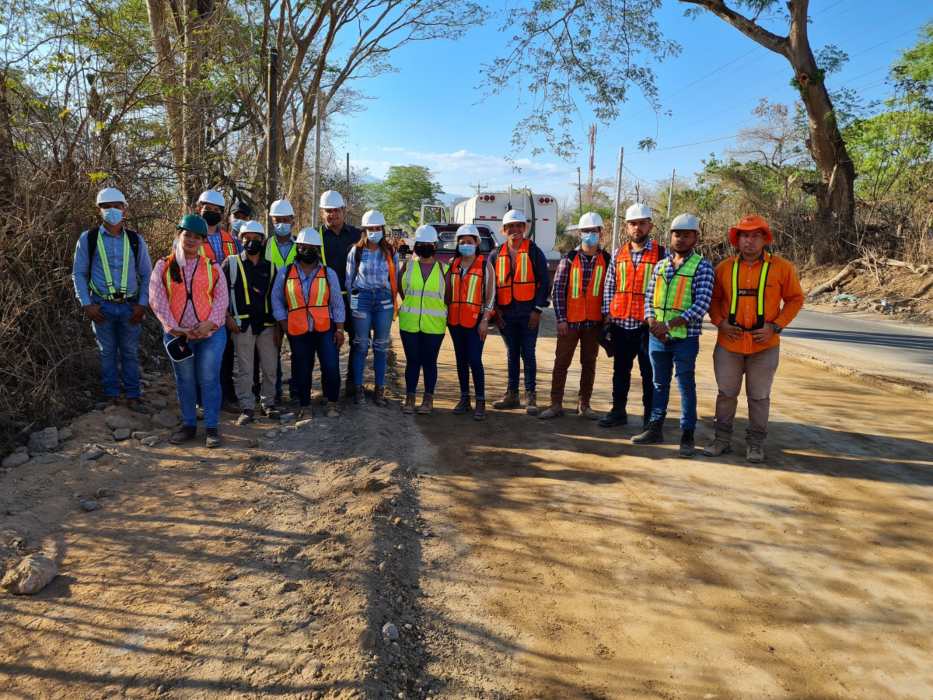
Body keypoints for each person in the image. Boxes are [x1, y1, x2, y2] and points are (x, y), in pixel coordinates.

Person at [704, 215, 804, 463]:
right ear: (737, 240)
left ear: (765, 239)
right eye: (744, 236)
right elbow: (714, 299)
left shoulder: (781, 268)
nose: (749, 241)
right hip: (729, 344)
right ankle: (721, 440)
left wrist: (776, 326)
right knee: (726, 394)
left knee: (759, 397)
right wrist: (720, 322)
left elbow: (795, 299)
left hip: (764, 346)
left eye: (755, 236)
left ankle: (756, 444)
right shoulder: (724, 268)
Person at [634, 213, 714, 457]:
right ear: (670, 236)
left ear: (696, 238)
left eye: (686, 235)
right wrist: (652, 323)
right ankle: (655, 428)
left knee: (685, 384)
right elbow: (649, 298)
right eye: (677, 234)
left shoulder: (702, 266)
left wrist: (667, 325)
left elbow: (701, 305)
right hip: (657, 338)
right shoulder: (661, 266)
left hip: (684, 339)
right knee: (659, 383)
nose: (680, 239)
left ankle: (687, 434)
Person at [149, 214, 228, 448]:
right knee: (185, 379)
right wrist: (175, 328)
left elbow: (222, 299)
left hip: (210, 334)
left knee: (209, 377)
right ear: (179, 235)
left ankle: (211, 427)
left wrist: (210, 323)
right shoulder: (163, 265)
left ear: (203, 241)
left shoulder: (212, 267)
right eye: (187, 235)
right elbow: (157, 299)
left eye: (197, 237)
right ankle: (189, 424)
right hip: (178, 336)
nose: (191, 240)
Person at [72, 187, 153, 411]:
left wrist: (142, 304)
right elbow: (79, 273)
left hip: (130, 307)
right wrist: (87, 304)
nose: (112, 210)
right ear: (98, 210)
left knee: (130, 352)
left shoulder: (136, 240)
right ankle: (111, 396)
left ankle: (133, 395)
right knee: (106, 352)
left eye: (117, 206)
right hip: (101, 306)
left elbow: (148, 274)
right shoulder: (88, 239)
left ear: (125, 208)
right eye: (106, 206)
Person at [599, 203, 665, 429]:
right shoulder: (618, 254)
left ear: (650, 226)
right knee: (620, 371)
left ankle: (649, 417)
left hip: (648, 326)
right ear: (626, 227)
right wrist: (607, 315)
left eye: (642, 223)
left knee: (649, 373)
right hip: (621, 323)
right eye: (633, 223)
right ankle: (618, 411)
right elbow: (610, 285)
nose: (637, 228)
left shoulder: (662, 254)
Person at [539, 212, 610, 420]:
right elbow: (558, 291)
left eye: (594, 231)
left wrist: (607, 317)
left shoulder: (607, 260)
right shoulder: (569, 259)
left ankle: (584, 405)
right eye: (586, 231)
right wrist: (561, 319)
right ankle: (555, 404)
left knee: (589, 364)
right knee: (561, 363)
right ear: (580, 233)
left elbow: (609, 290)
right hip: (570, 323)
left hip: (594, 323)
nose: (590, 234)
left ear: (601, 232)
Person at [271, 228, 345, 418]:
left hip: (325, 328)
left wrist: (339, 329)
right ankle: (305, 405)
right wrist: (284, 323)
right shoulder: (285, 272)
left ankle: (332, 402)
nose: (307, 250)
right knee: (302, 368)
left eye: (312, 247)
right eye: (303, 247)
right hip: (297, 329)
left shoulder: (328, 273)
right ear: (297, 248)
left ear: (318, 250)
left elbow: (337, 303)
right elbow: (276, 299)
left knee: (330, 366)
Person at [489, 209, 550, 415]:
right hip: (506, 314)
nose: (514, 229)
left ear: (524, 228)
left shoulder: (534, 252)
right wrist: (496, 311)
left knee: (528, 353)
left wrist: (537, 310)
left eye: (518, 226)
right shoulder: (495, 255)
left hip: (528, 313)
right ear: (503, 230)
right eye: (510, 226)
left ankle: (530, 395)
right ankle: (512, 394)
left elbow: (544, 283)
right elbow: (489, 286)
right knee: (512, 353)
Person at [222, 220, 281, 425]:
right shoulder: (230, 264)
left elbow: (276, 299)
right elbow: (219, 295)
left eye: (256, 238)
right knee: (244, 369)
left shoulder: (271, 267)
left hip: (267, 325)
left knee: (270, 367)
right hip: (242, 325)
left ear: (263, 240)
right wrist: (227, 318)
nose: (251, 242)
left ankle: (268, 404)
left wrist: (278, 327)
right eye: (246, 238)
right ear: (240, 239)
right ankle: (247, 407)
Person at [346, 209, 398, 406]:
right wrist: (354, 302)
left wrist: (392, 300)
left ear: (383, 229)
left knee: (381, 346)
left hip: (384, 301)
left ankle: (379, 390)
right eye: (371, 229)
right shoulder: (356, 251)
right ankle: (358, 389)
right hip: (362, 300)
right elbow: (349, 280)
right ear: (364, 230)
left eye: (378, 228)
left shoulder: (390, 251)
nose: (374, 232)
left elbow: (394, 278)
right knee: (360, 345)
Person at [445, 224, 495, 421]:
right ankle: (464, 398)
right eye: (462, 242)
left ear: (477, 243)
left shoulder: (485, 266)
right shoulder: (453, 264)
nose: (465, 245)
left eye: (469, 242)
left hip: (475, 322)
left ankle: (480, 401)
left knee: (474, 359)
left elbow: (491, 296)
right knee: (461, 360)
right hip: (455, 321)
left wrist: (485, 320)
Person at [398, 225, 448, 415]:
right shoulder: (407, 266)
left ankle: (428, 398)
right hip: (409, 323)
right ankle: (410, 397)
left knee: (429, 361)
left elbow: (448, 296)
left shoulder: (444, 269)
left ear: (435, 245)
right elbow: (402, 290)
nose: (425, 247)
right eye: (421, 243)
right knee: (412, 361)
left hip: (434, 325)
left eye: (429, 244)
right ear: (415, 245)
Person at [317, 190, 361, 396]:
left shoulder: (357, 235)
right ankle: (330, 390)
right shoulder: (315, 237)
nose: (332, 214)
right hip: (327, 301)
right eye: (328, 211)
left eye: (336, 210)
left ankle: (353, 384)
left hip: (355, 299)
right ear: (322, 213)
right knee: (329, 346)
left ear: (344, 211)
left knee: (358, 342)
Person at [265, 198, 298, 404]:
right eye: (277, 220)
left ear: (293, 220)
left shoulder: (301, 245)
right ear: (272, 221)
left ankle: (296, 391)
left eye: (285, 220)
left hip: (296, 308)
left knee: (298, 351)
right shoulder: (265, 246)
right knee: (272, 352)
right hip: (270, 307)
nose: (282, 224)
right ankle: (274, 392)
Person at [197, 190, 239, 263]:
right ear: (200, 209)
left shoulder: (231, 239)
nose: (212, 212)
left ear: (221, 213)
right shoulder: (190, 237)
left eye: (216, 209)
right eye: (208, 208)